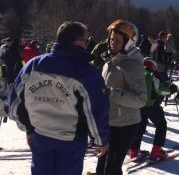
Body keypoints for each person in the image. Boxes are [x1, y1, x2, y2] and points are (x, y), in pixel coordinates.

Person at [8, 21, 109, 175]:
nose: (88, 45)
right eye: (86, 41)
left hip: (41, 136)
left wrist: (29, 129)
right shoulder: (86, 72)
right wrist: (101, 140)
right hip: (71, 141)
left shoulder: (34, 65)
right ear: (77, 42)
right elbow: (95, 111)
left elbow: (15, 103)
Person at [95, 19, 147, 175]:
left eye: (117, 40)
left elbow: (141, 98)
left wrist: (113, 93)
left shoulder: (132, 64)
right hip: (109, 121)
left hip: (125, 125)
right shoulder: (111, 60)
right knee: (100, 168)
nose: (112, 43)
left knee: (111, 169)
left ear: (129, 42)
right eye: (111, 39)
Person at [129, 58, 177, 161]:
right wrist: (171, 90)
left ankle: (134, 152)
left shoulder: (137, 74)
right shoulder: (152, 75)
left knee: (139, 129)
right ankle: (156, 152)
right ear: (153, 66)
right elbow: (160, 90)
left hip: (138, 106)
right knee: (161, 125)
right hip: (151, 106)